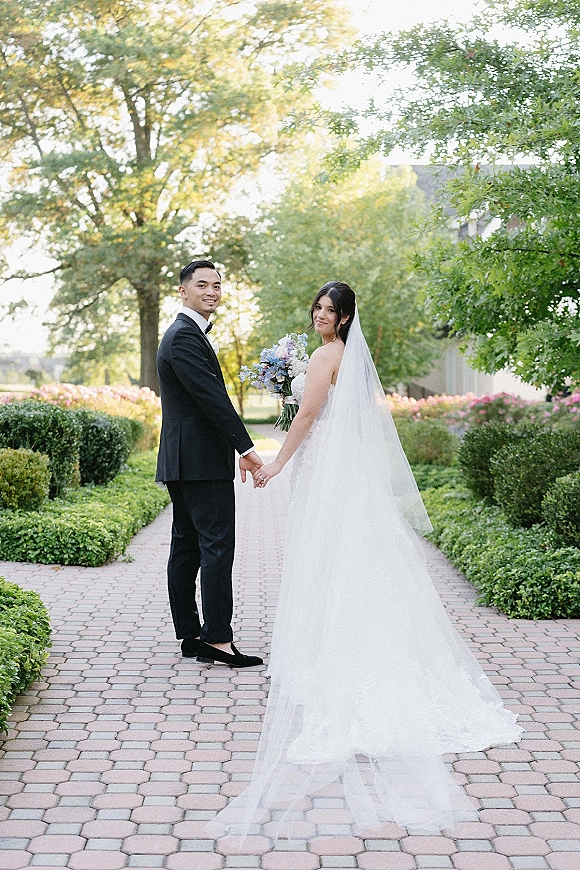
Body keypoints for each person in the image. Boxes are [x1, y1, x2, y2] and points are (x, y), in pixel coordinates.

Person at [208, 281, 523, 839]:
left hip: (328, 473)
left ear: (346, 317)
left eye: (331, 310)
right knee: (354, 565)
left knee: (328, 564)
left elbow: (306, 418)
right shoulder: (349, 358)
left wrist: (275, 465)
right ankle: (353, 653)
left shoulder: (326, 355)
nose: (321, 315)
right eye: (318, 307)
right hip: (346, 471)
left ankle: (339, 667)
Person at [156, 259, 264, 668]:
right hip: (199, 462)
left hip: (187, 460)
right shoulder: (184, 336)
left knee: (186, 546)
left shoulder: (184, 334)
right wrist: (247, 450)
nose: (212, 291)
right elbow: (212, 401)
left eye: (217, 286)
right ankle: (217, 640)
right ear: (183, 291)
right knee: (216, 547)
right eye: (202, 285)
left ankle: (190, 636)